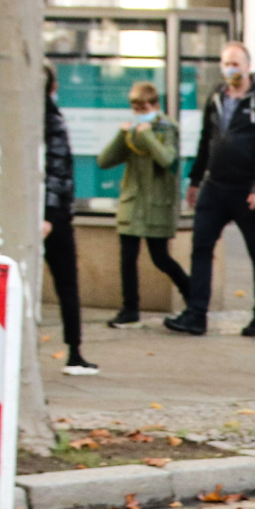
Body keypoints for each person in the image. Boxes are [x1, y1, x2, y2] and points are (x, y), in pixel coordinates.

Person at [165, 42, 255, 337]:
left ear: (247, 66)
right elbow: (207, 139)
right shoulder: (217, 97)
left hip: (247, 189)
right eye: (226, 63)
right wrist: (195, 181)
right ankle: (196, 313)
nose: (230, 69)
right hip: (215, 186)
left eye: (235, 63)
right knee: (201, 246)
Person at [96, 82, 187, 327]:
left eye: (144, 107)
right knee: (127, 257)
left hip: (157, 202)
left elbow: (168, 159)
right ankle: (129, 309)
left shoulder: (167, 128)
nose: (139, 113)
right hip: (133, 202)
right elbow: (104, 161)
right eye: (135, 108)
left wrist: (146, 134)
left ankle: (193, 296)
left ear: (155, 105)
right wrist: (122, 135)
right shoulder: (132, 130)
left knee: (160, 258)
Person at [41, 65, 95, 375]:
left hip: (49, 213)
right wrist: (50, 215)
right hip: (55, 216)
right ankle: (74, 351)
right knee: (66, 283)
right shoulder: (52, 120)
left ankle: (75, 350)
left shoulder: (40, 120)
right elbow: (58, 171)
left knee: (64, 283)